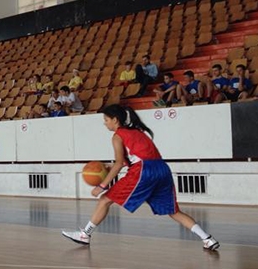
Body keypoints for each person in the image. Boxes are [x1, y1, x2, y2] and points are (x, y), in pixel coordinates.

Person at [61, 104, 220, 251]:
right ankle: (207, 238)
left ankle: (85, 235)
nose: (105, 123)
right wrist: (113, 166)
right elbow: (132, 159)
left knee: (104, 199)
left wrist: (102, 185)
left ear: (115, 120)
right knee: (173, 211)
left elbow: (119, 164)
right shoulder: (138, 132)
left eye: (106, 120)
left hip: (144, 171)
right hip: (162, 169)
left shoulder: (117, 136)